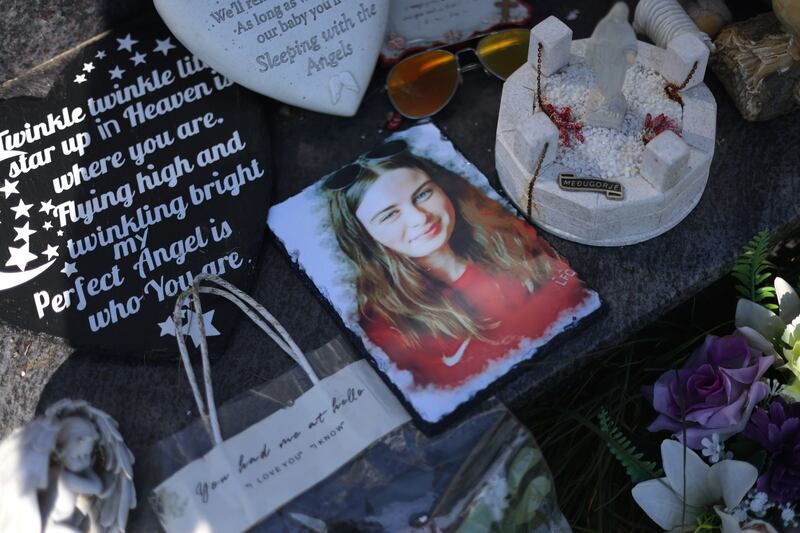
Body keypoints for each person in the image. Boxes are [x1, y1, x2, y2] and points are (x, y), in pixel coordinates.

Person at [326, 140, 592, 389]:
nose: (419, 218)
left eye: (423, 194)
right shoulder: (385, 326)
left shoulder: (511, 239)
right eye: (389, 215)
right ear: (363, 236)